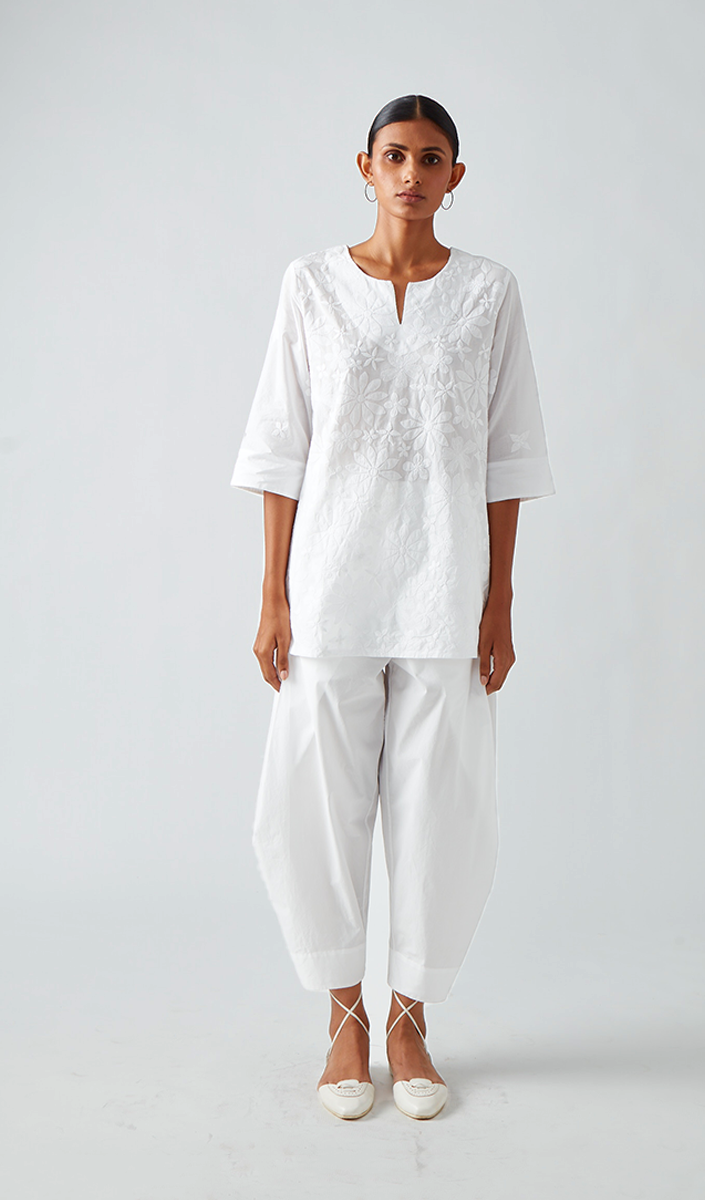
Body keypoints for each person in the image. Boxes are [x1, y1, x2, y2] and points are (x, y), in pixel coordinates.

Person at [230, 94, 555, 1121]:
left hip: (446, 583)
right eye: (395, 155)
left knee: (441, 808)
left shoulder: (488, 293)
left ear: (455, 176)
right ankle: (344, 1018)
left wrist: (499, 601)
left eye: (431, 157)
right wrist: (273, 594)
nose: (412, 173)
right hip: (329, 582)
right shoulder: (312, 287)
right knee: (313, 803)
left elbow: (507, 455)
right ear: (364, 167)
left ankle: (408, 1017)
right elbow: (280, 447)